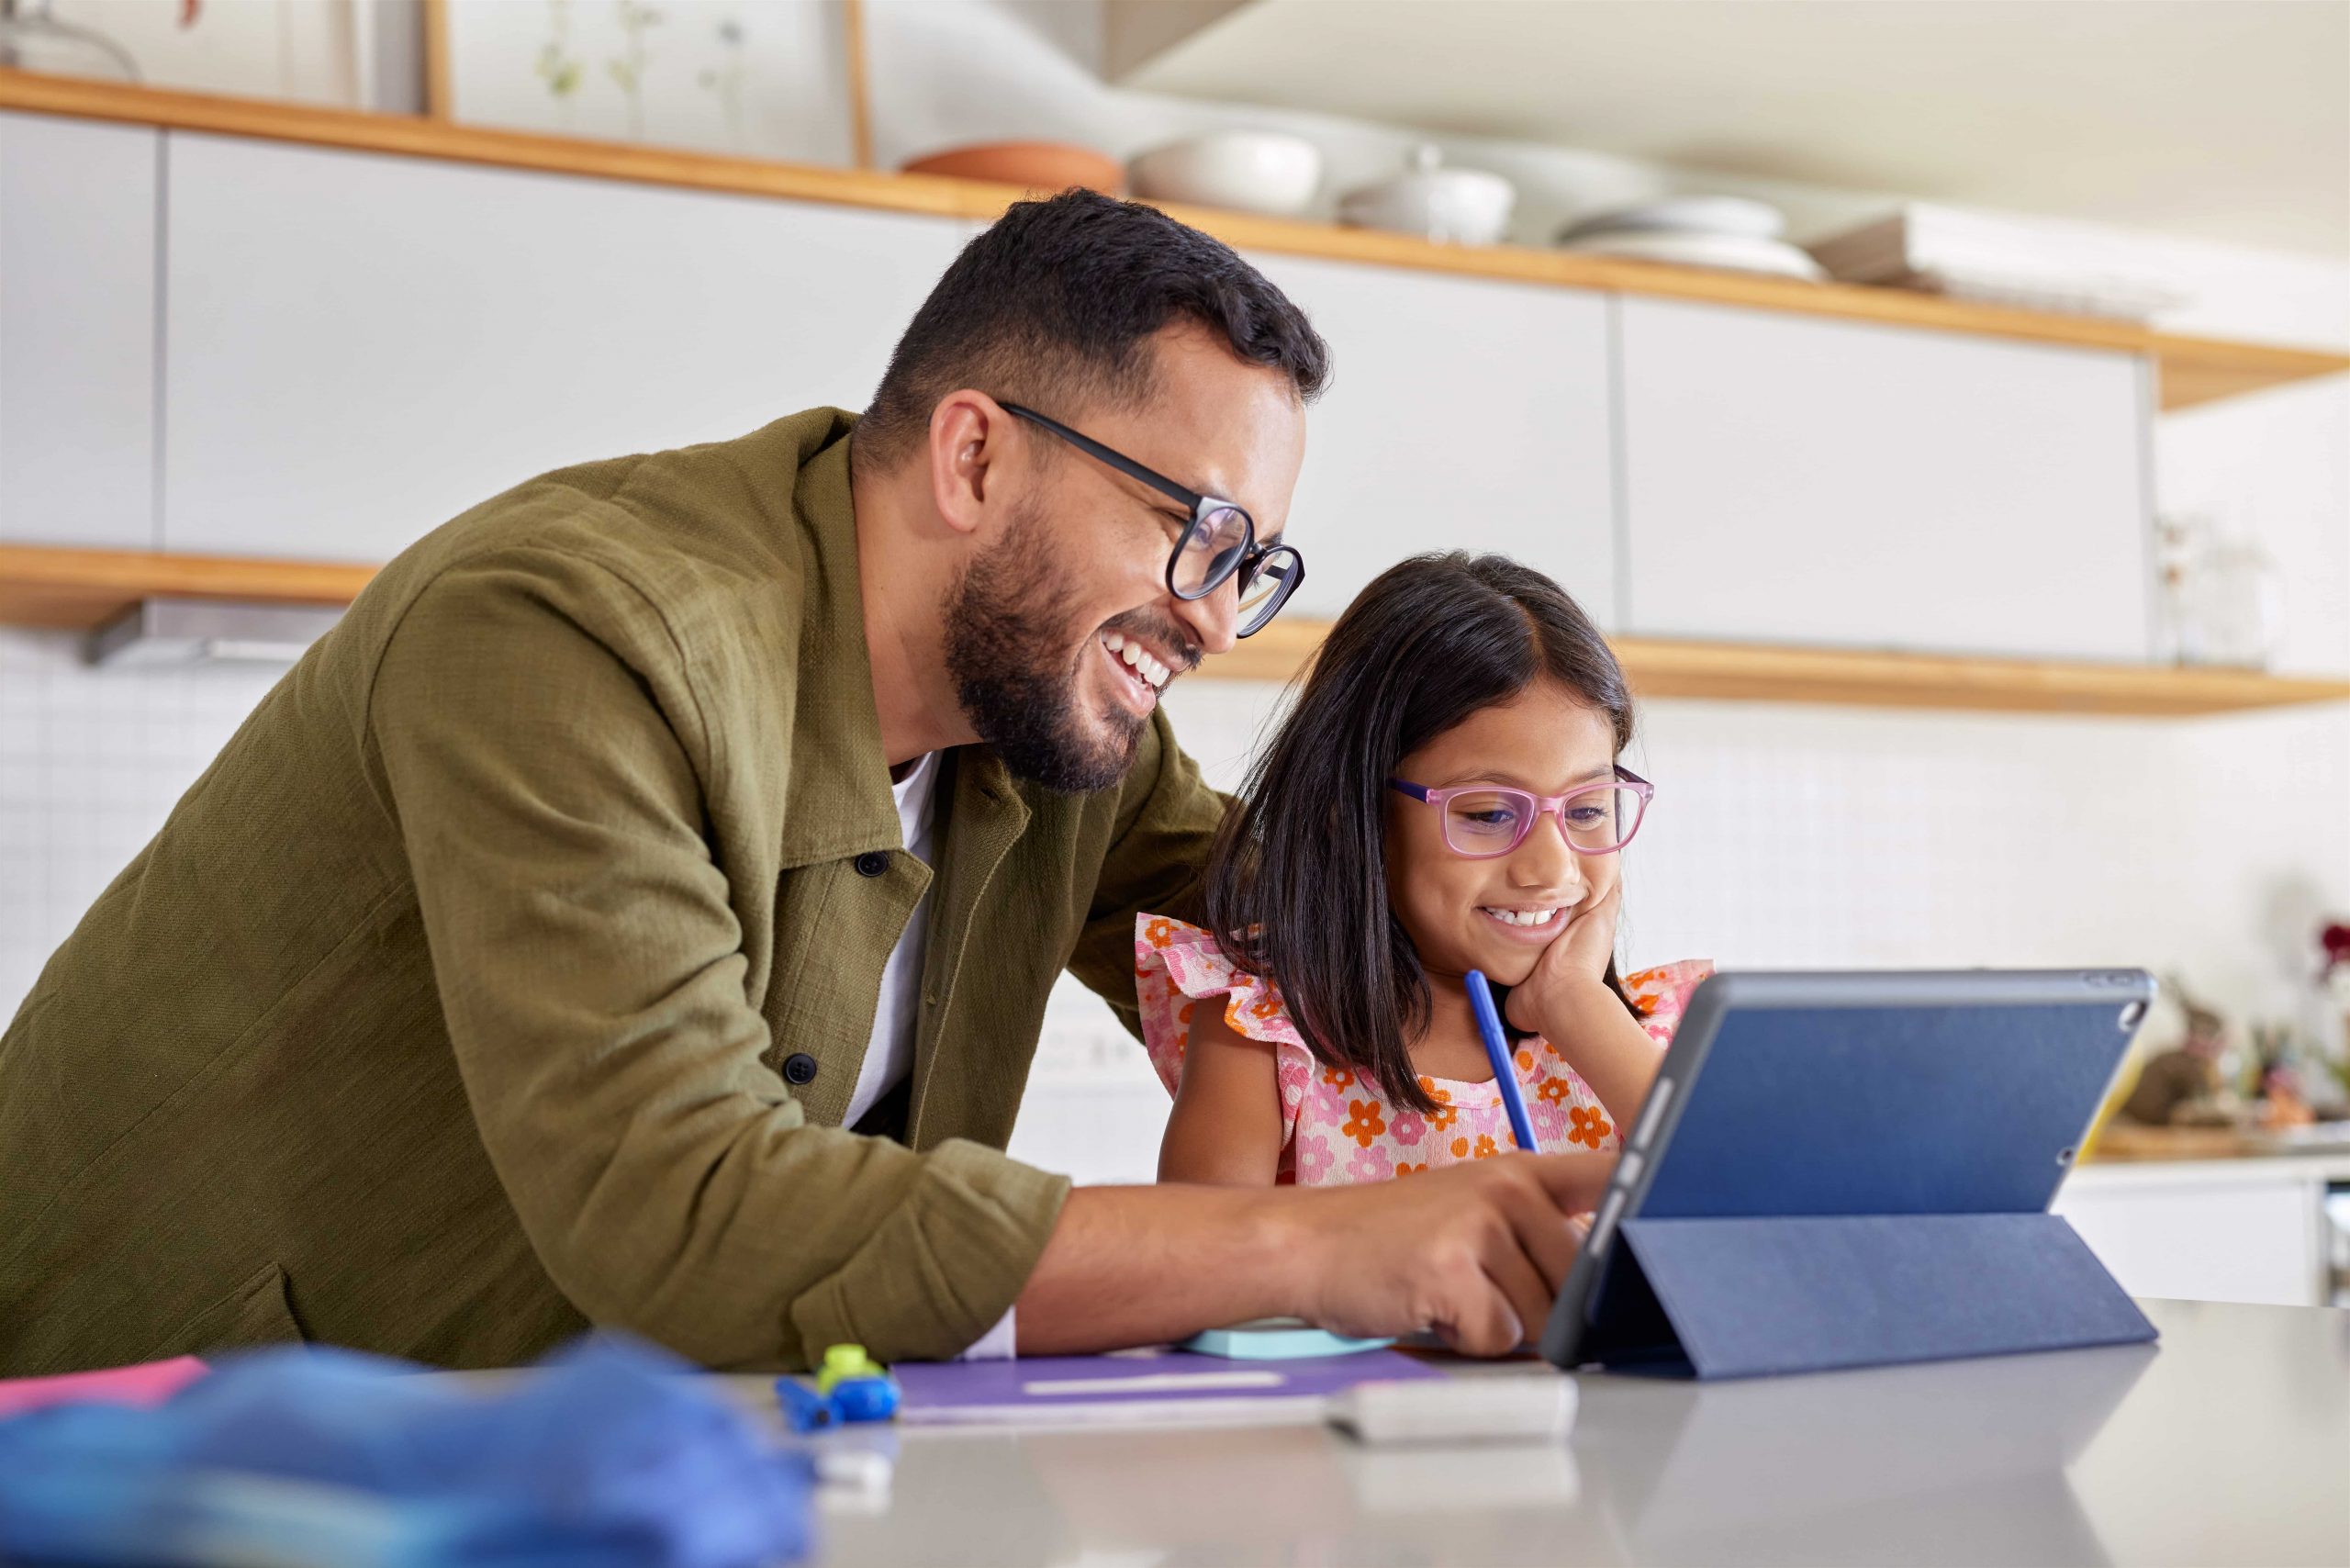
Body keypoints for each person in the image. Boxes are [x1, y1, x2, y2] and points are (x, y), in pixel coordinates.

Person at [0, 191, 1611, 1377]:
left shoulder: (1055, 726)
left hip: (560, 1450)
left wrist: (1530, 862)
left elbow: (1350, 946)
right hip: (144, 1445)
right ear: (974, 456)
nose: (1210, 610)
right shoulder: (570, 634)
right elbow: (688, 1204)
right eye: (1195, 534)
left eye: (1249, 563)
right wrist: (1319, 1248)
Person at [1146, 554, 1712, 1186]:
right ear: (1354, 815)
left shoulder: (1651, 1042)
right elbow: (1202, 1273)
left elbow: (1756, 1231)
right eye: (1491, 814)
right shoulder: (1265, 1034)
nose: (1551, 867)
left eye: (1587, 809)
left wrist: (1577, 1004)